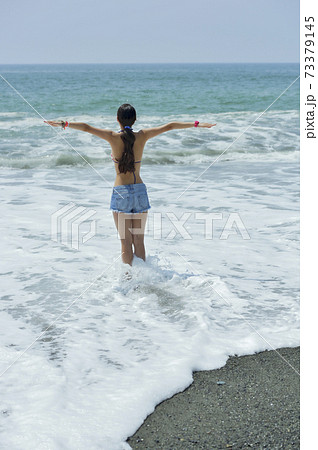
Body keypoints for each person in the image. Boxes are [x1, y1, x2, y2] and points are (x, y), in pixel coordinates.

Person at [45, 104, 216, 265]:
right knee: (139, 241)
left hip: (121, 193)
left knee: (125, 243)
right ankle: (142, 281)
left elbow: (86, 127)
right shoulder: (142, 136)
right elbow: (169, 126)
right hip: (140, 191)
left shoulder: (112, 137)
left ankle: (128, 283)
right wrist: (197, 124)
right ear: (135, 120)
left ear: (117, 119)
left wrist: (63, 124)